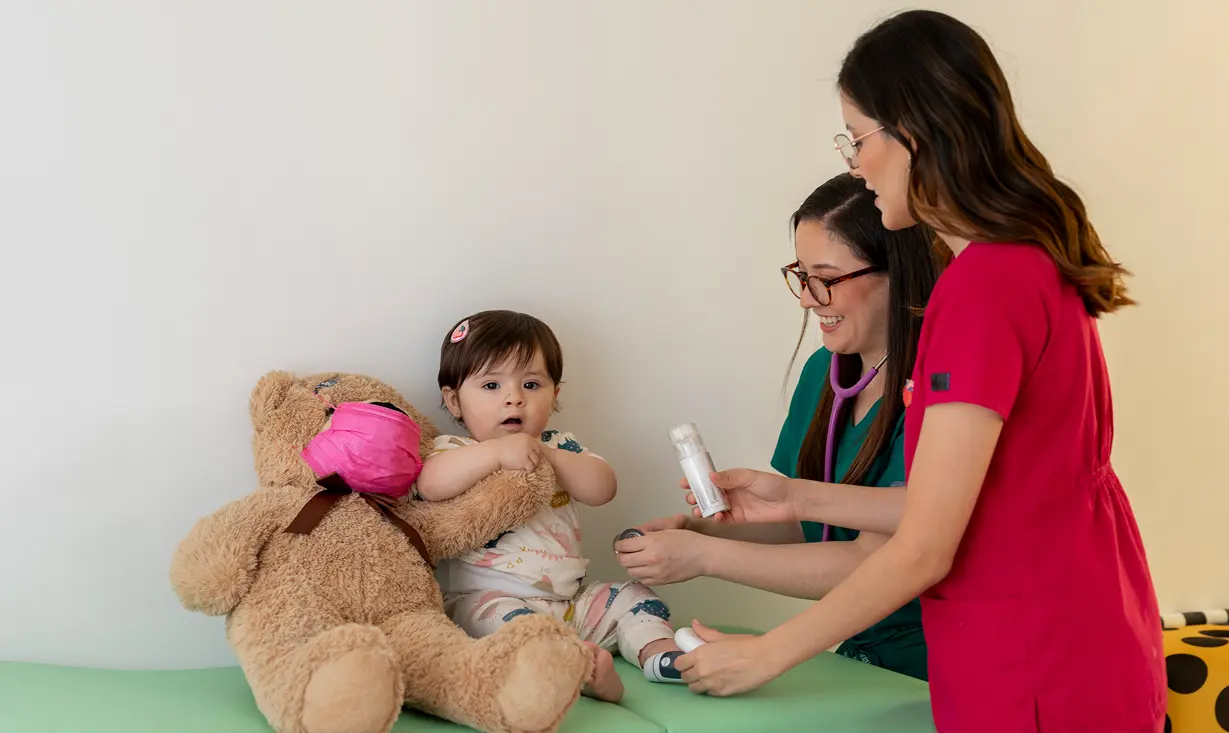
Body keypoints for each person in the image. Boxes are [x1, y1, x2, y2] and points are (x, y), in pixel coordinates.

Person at [670, 10, 1166, 733]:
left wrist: (765, 654)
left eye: (858, 137)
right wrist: (793, 497)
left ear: (915, 132)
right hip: (1080, 639)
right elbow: (966, 499)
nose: (853, 162)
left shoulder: (982, 287)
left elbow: (927, 545)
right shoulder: (1027, 262)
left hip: (1032, 664)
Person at [615, 172, 946, 681]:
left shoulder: (937, 392)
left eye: (826, 279)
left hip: (934, 661)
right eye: (801, 275)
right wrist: (699, 529)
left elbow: (875, 562)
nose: (807, 299)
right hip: (862, 657)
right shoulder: (824, 373)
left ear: (897, 272)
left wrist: (707, 556)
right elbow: (808, 527)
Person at [415, 309, 687, 703]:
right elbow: (430, 485)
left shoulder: (561, 446)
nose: (514, 397)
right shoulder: (457, 450)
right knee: (514, 632)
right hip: (490, 602)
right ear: (453, 400)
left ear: (554, 395)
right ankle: (576, 671)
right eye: (491, 385)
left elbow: (602, 488)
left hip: (572, 604)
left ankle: (658, 655)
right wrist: (497, 454)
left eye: (531, 383)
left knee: (634, 596)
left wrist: (550, 457)